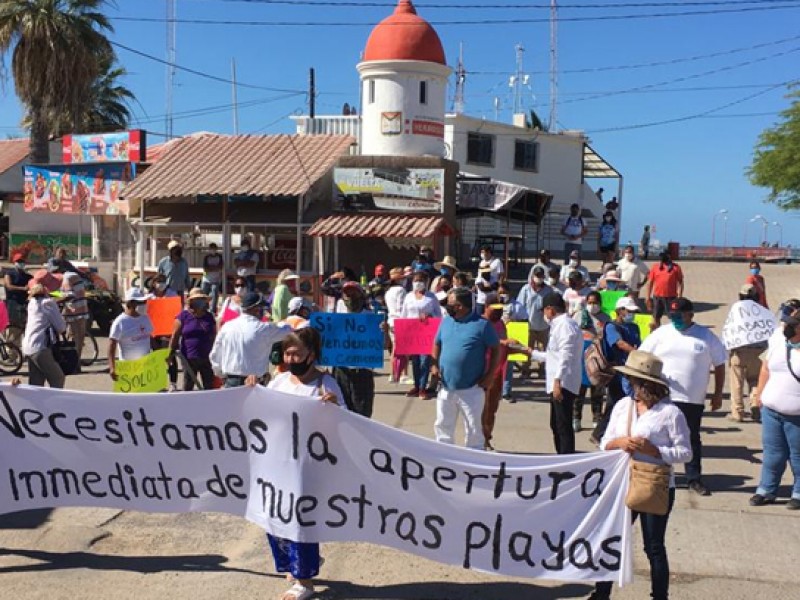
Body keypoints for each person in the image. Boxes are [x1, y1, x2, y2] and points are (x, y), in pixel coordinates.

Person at [589, 350, 692, 600]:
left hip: (654, 484)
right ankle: (601, 593)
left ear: (648, 384)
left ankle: (659, 595)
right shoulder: (623, 406)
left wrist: (656, 450)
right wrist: (620, 442)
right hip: (623, 481)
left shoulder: (671, 413)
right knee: (611, 539)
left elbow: (686, 453)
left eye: (634, 381)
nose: (630, 385)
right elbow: (604, 442)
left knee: (653, 545)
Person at [265, 327, 345, 600]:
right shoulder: (278, 382)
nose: (290, 359)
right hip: (277, 462)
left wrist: (334, 406)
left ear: (311, 355)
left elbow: (346, 424)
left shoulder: (326, 385)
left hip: (308, 466)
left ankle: (305, 581)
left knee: (300, 519)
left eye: (296, 354)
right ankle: (296, 565)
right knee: (274, 516)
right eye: (287, 353)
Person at [639, 297, 726, 496]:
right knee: (658, 436)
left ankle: (694, 478)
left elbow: (720, 365)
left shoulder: (706, 336)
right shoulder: (661, 334)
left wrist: (718, 393)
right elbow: (642, 356)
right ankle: (658, 474)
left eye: (679, 315)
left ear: (691, 315)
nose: (675, 319)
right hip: (661, 398)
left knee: (691, 438)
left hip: (692, 399)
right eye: (672, 315)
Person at [431, 287, 500, 449]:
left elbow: (496, 349)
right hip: (446, 386)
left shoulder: (482, 325)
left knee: (474, 429)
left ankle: (473, 462)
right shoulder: (446, 321)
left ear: (461, 306)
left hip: (472, 388)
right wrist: (434, 366)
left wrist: (490, 375)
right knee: (442, 425)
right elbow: (436, 343)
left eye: (451, 304)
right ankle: (444, 456)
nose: (447, 307)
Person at [749, 309, 800, 510]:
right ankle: (766, 490)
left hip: (796, 416)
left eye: (792, 324)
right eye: (786, 323)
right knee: (772, 454)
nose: (786, 327)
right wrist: (759, 396)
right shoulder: (778, 340)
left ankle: (798, 492)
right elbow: (766, 368)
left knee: (798, 456)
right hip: (771, 412)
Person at [523, 293, 583, 454]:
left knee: (563, 425)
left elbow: (566, 355)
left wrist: (558, 381)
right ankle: (561, 456)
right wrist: (530, 352)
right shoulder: (558, 325)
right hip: (557, 382)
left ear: (550, 310)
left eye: (544, 311)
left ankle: (566, 459)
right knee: (556, 424)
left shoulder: (564, 325)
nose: (544, 315)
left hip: (563, 383)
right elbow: (553, 356)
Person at [209, 291, 291, 388]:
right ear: (256, 309)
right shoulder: (264, 328)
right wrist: (284, 322)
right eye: (262, 309)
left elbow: (215, 355)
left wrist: (221, 375)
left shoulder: (227, 327)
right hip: (254, 383)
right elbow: (287, 331)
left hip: (230, 382)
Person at [590, 296, 642, 444]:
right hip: (616, 372)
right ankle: (599, 435)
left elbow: (639, 343)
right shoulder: (611, 327)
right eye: (629, 311)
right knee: (614, 405)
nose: (632, 314)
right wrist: (635, 352)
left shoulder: (634, 327)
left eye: (634, 311)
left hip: (631, 371)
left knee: (625, 404)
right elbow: (619, 343)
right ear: (619, 311)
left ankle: (606, 434)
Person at [725, 284, 768, 423]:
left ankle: (738, 412)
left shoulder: (736, 311)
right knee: (755, 380)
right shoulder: (762, 311)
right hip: (759, 352)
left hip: (740, 352)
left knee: (737, 382)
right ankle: (756, 406)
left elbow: (729, 329)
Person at [332, 281, 376, 418]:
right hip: (340, 370)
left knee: (361, 413)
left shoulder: (370, 316)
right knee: (340, 410)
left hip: (362, 371)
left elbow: (382, 345)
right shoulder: (338, 313)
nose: (350, 297)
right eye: (347, 294)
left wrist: (384, 332)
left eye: (353, 293)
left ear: (361, 295)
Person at [400, 271, 441, 399]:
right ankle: (417, 386)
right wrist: (401, 331)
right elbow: (404, 314)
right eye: (416, 280)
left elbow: (439, 315)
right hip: (412, 333)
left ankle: (423, 388)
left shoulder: (431, 297)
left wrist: (430, 316)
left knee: (425, 361)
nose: (418, 283)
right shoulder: (408, 297)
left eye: (421, 280)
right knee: (415, 361)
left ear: (426, 282)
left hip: (426, 332)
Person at [574, 291, 609, 432]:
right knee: (579, 390)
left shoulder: (606, 319)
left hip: (598, 357)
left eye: (595, 303)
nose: (592, 305)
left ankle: (597, 418)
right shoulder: (579, 316)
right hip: (581, 356)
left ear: (600, 304)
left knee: (597, 391)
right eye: (590, 302)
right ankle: (576, 418)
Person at [170, 288, 217, 391]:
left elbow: (214, 335)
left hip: (206, 357)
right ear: (191, 301)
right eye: (197, 299)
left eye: (201, 299)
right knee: (188, 386)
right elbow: (175, 335)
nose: (199, 302)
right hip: (188, 358)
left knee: (209, 386)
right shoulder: (183, 316)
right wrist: (170, 353)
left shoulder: (209, 317)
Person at [21, 284, 67, 388]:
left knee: (36, 383)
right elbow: (61, 327)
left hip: (28, 346)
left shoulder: (32, 303)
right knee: (57, 377)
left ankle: (36, 403)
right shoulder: (48, 303)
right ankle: (53, 402)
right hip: (40, 346)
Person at [481, 297, 511, 450]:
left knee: (492, 408)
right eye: (495, 308)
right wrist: (502, 342)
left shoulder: (500, 323)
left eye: (500, 309)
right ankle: (482, 439)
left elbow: (504, 340)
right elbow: (486, 340)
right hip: (484, 370)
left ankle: (488, 436)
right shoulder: (480, 323)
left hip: (499, 370)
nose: (498, 312)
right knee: (483, 408)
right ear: (486, 307)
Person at [108, 288, 155, 382]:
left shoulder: (146, 319)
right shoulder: (120, 322)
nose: (145, 304)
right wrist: (112, 367)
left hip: (145, 367)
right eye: (141, 302)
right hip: (127, 368)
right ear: (131, 304)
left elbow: (151, 339)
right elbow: (112, 345)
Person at [517, 266, 552, 383]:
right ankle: (525, 370)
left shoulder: (548, 290)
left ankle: (542, 370)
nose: (539, 278)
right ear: (532, 276)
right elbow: (520, 305)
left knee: (543, 349)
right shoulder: (526, 289)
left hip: (544, 326)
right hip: (529, 325)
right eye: (537, 276)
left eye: (541, 276)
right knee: (527, 349)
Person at [497, 282, 527, 401]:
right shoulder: (493, 305)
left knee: (508, 367)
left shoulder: (517, 306)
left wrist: (514, 321)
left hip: (510, 339)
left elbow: (525, 320)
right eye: (500, 293)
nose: (502, 295)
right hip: (497, 340)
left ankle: (506, 392)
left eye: (504, 293)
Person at [645, 251, 684, 329]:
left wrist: (680, 296)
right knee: (656, 317)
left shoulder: (676, 268)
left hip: (671, 297)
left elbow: (680, 282)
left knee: (673, 316)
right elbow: (650, 283)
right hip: (657, 297)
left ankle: (675, 331)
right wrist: (647, 297)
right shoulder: (655, 267)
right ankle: (657, 332)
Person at [385, 267, 410, 384]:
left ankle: (393, 373)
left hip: (391, 320)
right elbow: (401, 307)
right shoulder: (401, 290)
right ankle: (403, 374)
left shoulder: (388, 291)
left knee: (394, 348)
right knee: (403, 349)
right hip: (400, 320)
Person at [4, 251, 33, 346]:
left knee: (26, 330)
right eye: (18, 261)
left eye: (22, 261)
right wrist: (23, 288)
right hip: (13, 305)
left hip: (25, 305)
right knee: (14, 330)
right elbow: (9, 286)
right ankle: (12, 355)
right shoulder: (9, 274)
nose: (21, 263)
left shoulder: (28, 276)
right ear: (14, 262)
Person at [60, 271, 90, 360]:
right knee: (79, 337)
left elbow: (69, 295)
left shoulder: (67, 278)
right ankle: (77, 361)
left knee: (76, 337)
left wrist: (55, 300)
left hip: (74, 311)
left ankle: (75, 362)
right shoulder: (74, 276)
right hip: (82, 309)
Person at [474, 246, 503, 315]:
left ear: (489, 252)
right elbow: (482, 287)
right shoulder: (481, 263)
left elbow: (501, 275)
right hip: (481, 300)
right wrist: (491, 287)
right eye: (481, 252)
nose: (482, 254)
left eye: (483, 252)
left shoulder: (497, 262)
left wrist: (498, 286)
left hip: (492, 299)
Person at [201, 243, 224, 314]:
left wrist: (211, 267)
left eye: (214, 248)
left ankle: (213, 310)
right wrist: (215, 267)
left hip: (216, 280)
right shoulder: (206, 257)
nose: (212, 250)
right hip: (206, 279)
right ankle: (204, 309)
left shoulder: (220, 257)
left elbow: (220, 267)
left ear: (216, 249)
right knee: (204, 295)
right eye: (211, 248)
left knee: (215, 294)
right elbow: (206, 269)